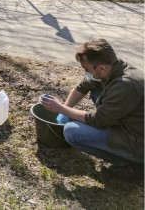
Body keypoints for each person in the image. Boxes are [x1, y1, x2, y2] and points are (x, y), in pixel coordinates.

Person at [41, 38, 144, 180]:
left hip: (138, 141)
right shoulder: (113, 67)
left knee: (72, 132)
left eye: (86, 69)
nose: (85, 72)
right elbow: (83, 86)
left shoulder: (125, 85)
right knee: (96, 91)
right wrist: (64, 108)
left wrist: (62, 109)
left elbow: (98, 121)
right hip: (132, 122)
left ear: (101, 68)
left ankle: (133, 163)